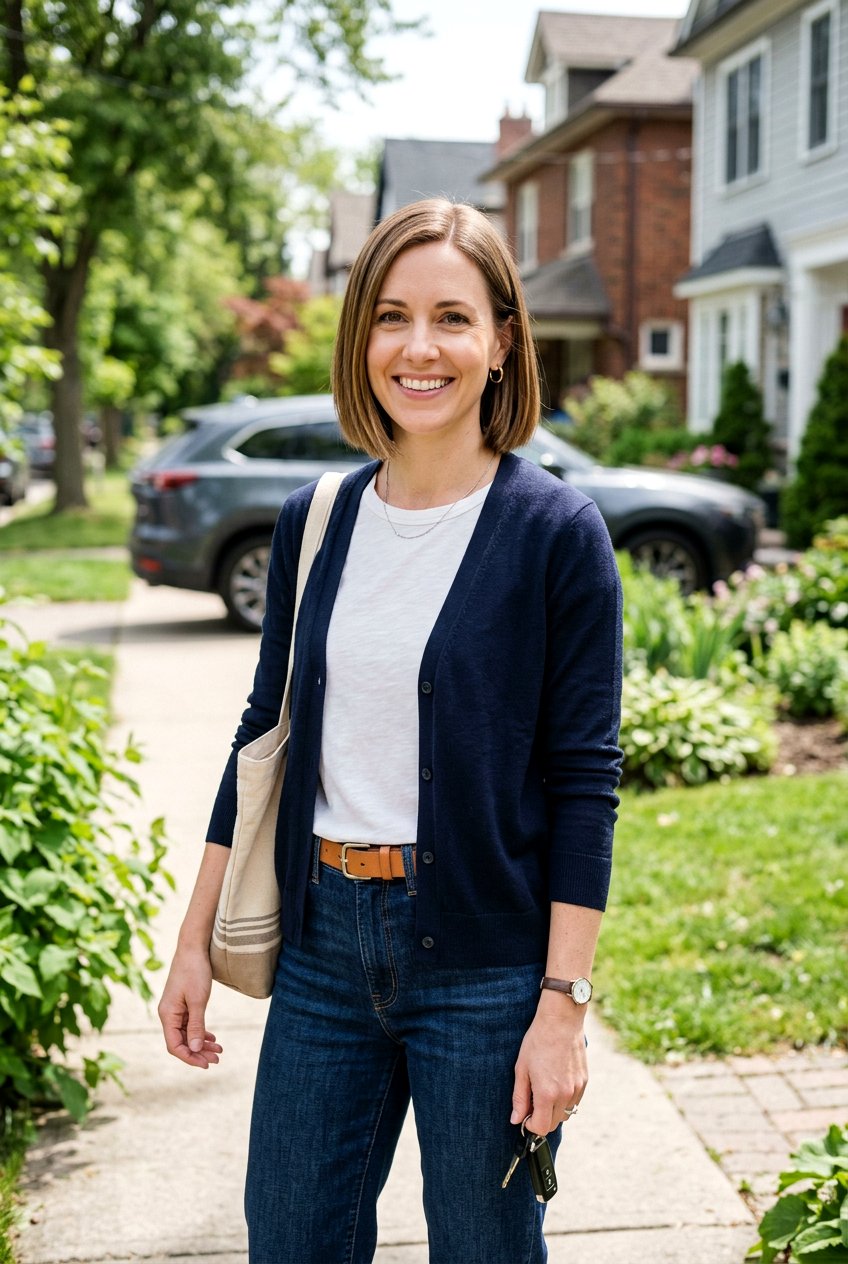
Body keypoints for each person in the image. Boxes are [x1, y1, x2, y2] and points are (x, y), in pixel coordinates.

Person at [158, 198, 623, 1264]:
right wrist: (195, 937)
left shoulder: (556, 534)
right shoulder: (313, 518)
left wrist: (562, 1005)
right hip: (321, 952)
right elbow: (261, 732)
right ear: (359, 335)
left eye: (453, 318)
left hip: (484, 968)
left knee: (483, 1249)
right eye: (392, 316)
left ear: (502, 341)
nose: (419, 348)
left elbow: (584, 780)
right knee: (289, 1241)